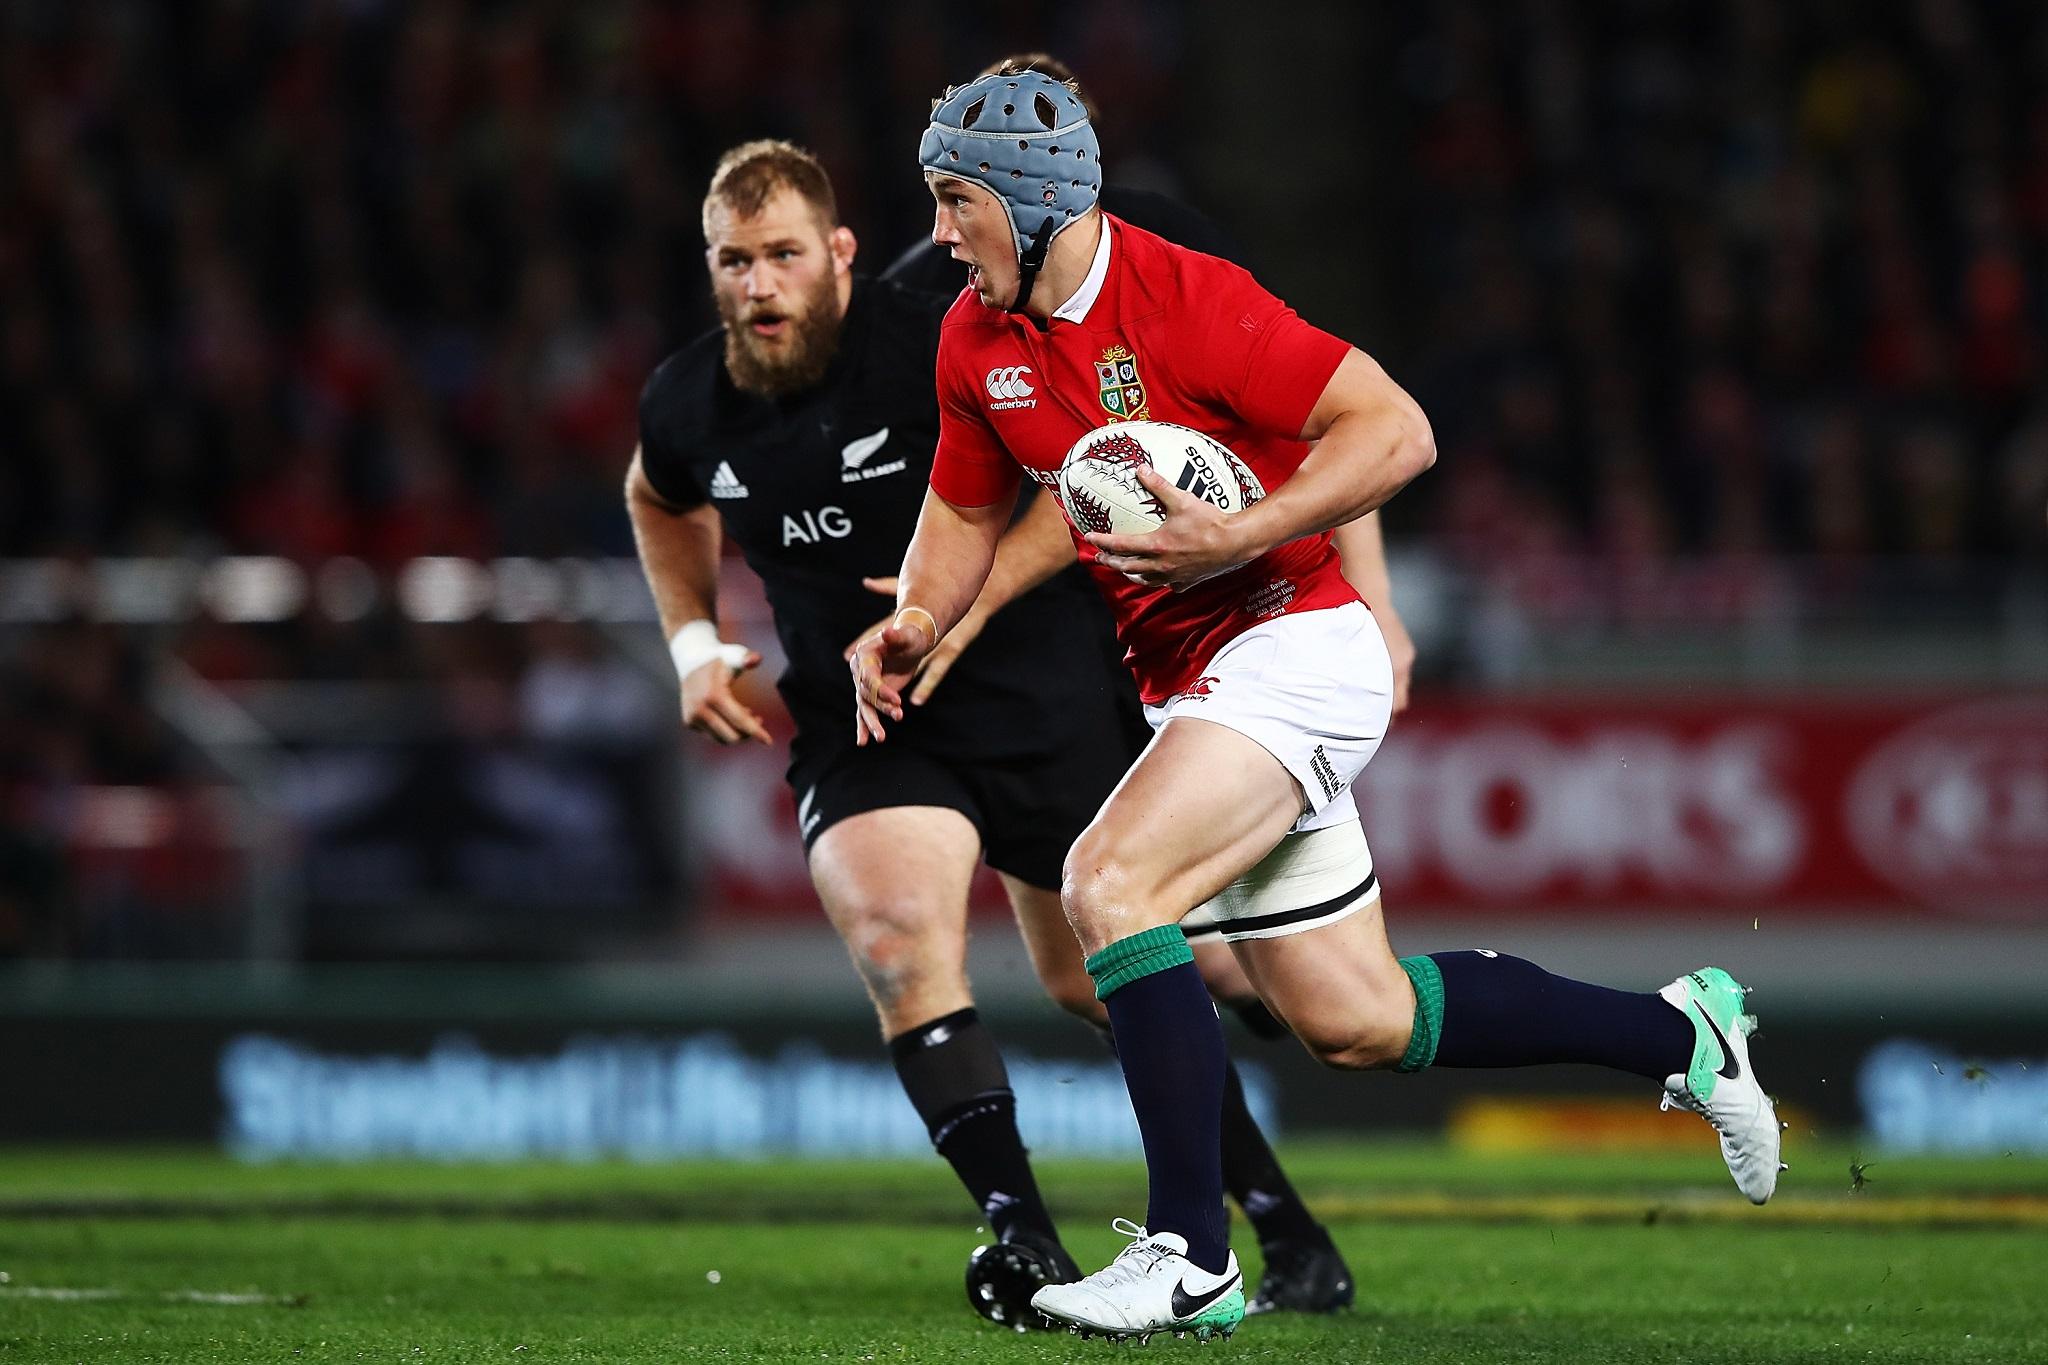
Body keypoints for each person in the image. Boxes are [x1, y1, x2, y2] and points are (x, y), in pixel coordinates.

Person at [853, 70, 1785, 1343]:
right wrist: (916, 618)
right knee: (1357, 1021)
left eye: (956, 202)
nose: (943, 233)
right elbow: (962, 511)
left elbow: (1394, 432)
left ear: (1034, 200)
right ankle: (1680, 1035)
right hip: (1189, 677)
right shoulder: (973, 337)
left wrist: (1244, 528)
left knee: (1109, 885)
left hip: (1298, 642)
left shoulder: (1190, 298)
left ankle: (1190, 1253)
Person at [625, 138, 1352, 1331]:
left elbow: (1090, 485)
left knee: (1097, 979)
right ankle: (1019, 1236)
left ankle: (1281, 1221)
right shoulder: (687, 398)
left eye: (783, 257)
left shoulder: (939, 340)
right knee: (900, 938)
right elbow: (657, 497)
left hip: (1033, 688)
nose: (759, 285)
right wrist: (694, 643)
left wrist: (956, 609)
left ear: (840, 257)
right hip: (872, 714)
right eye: (734, 262)